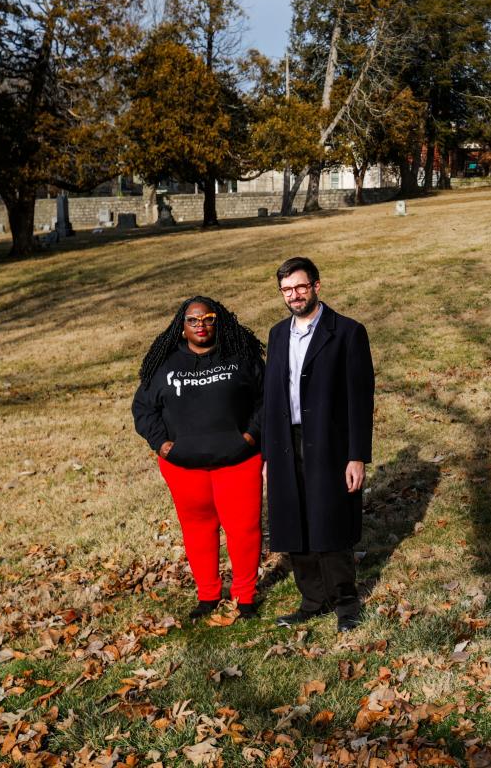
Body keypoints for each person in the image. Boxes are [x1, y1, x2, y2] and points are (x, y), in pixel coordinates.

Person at [131, 296, 265, 620]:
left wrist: (249, 436)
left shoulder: (241, 355)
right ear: (182, 326)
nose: (201, 325)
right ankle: (207, 595)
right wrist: (162, 444)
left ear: (217, 321)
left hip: (238, 460)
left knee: (243, 529)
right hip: (184, 466)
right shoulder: (163, 363)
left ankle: (245, 597)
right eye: (193, 320)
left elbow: (268, 399)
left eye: (207, 318)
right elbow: (144, 409)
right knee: (198, 530)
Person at [262, 257, 374, 629]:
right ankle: (313, 599)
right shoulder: (277, 334)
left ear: (317, 286)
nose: (294, 295)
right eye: (287, 290)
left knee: (330, 520)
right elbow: (271, 396)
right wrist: (268, 454)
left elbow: (360, 399)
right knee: (295, 522)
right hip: (285, 442)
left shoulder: (346, 332)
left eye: (301, 287)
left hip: (329, 441)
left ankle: (345, 602)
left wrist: (356, 455)